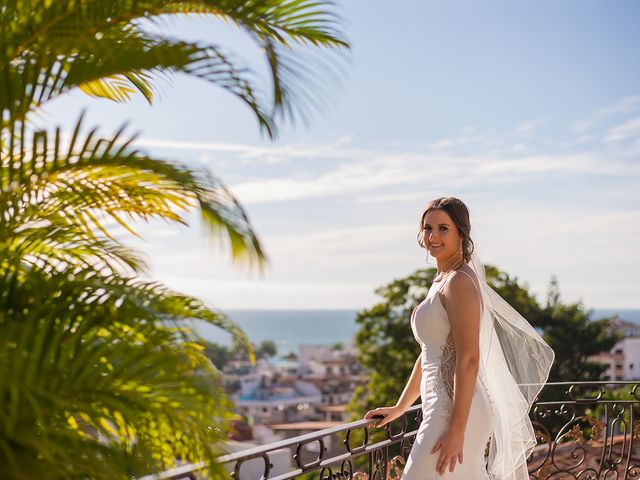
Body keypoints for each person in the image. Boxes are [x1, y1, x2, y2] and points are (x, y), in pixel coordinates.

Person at [363, 197, 554, 479]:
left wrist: (457, 429)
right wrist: (401, 406)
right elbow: (430, 352)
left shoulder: (459, 282)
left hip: (455, 414)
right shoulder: (442, 280)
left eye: (443, 228)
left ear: (461, 234)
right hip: (439, 409)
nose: (433, 236)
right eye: (428, 228)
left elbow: (468, 357)